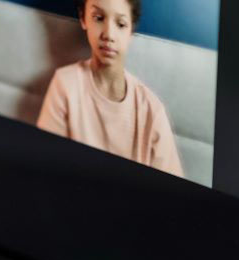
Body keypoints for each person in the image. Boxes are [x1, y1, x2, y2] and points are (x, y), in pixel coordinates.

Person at [37, 0, 184, 178]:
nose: (108, 34)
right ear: (84, 19)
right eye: (99, 18)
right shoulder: (66, 85)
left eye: (120, 24)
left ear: (131, 29)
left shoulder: (152, 111)